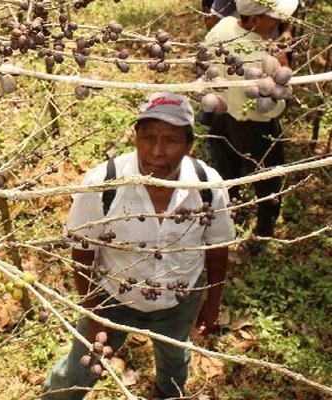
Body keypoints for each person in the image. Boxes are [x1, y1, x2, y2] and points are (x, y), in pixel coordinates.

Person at [42, 92, 235, 400]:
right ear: (135, 138)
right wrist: (92, 314)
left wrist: (212, 302)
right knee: (78, 373)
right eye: (148, 137)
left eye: (170, 141)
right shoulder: (103, 184)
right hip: (112, 299)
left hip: (178, 303)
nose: (156, 151)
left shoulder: (208, 188)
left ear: (189, 146)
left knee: (174, 364)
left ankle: (166, 393)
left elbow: (217, 247)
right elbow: (82, 250)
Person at [204, 0, 298, 238]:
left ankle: (232, 214)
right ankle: (264, 228)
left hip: (222, 119)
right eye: (273, 16)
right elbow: (273, 106)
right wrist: (283, 66)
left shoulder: (223, 26)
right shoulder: (264, 55)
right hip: (256, 127)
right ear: (255, 20)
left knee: (228, 171)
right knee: (268, 178)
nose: (278, 21)